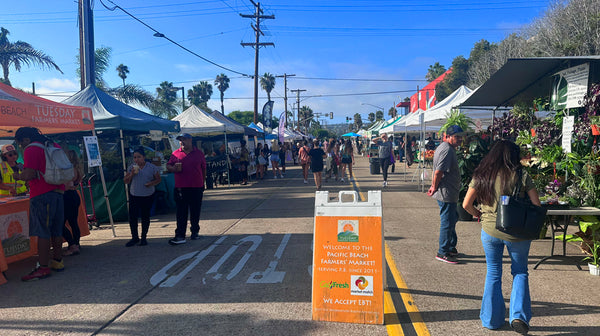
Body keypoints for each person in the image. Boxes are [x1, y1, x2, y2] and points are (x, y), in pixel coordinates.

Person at [462, 140, 540, 335]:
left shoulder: (482, 175)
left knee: (493, 273)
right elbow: (536, 205)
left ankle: (491, 319)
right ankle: (518, 316)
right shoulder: (522, 174)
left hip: (490, 231)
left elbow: (466, 204)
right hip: (518, 232)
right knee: (520, 272)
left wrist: (479, 214)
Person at [13, 127, 66, 281]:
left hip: (41, 194)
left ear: (26, 139)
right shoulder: (52, 145)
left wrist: (18, 176)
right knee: (56, 229)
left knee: (43, 231)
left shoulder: (31, 149)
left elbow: (28, 174)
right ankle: (58, 261)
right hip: (58, 191)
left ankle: (43, 267)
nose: (21, 147)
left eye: (20, 144)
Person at [426, 125, 464, 264]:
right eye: (456, 137)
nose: (460, 139)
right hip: (446, 193)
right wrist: (434, 187)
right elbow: (438, 172)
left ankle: (450, 247)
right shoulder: (446, 150)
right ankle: (442, 252)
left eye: (460, 136)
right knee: (447, 222)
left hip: (450, 192)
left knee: (452, 218)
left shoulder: (448, 148)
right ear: (447, 137)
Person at [166, 133, 207, 245]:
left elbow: (203, 169)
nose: (182, 142)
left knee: (195, 211)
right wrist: (173, 168)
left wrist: (202, 182)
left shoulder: (199, 153)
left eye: (184, 140)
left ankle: (195, 232)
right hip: (181, 187)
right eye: (180, 140)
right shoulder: (175, 154)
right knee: (181, 212)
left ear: (190, 140)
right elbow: (168, 166)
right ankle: (180, 235)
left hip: (196, 187)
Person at [123, 148, 161, 247]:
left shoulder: (151, 167)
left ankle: (144, 237)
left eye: (139, 157)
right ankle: (134, 237)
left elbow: (158, 179)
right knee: (133, 217)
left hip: (147, 194)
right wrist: (131, 174)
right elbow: (126, 181)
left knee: (145, 216)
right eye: (135, 157)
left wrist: (151, 183)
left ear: (143, 157)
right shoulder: (132, 167)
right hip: (134, 194)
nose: (136, 159)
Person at [62, 150, 83, 256]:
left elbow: (65, 185)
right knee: (73, 222)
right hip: (74, 195)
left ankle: (72, 244)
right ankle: (76, 244)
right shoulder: (77, 169)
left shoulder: (68, 169)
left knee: (60, 223)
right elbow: (76, 183)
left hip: (67, 196)